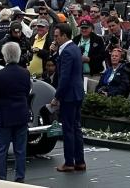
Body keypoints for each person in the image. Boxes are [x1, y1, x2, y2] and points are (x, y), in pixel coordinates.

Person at [0, 41, 31, 183]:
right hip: (21, 113)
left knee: (1, 150)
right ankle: (20, 178)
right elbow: (26, 92)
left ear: (4, 56)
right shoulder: (25, 73)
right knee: (20, 150)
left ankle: (1, 178)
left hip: (4, 115)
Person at [51, 22, 85, 173]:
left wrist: (57, 96)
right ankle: (80, 161)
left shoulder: (66, 52)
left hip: (69, 96)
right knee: (76, 128)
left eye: (57, 36)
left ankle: (69, 162)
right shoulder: (75, 48)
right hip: (77, 93)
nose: (55, 39)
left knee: (68, 129)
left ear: (64, 36)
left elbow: (64, 77)